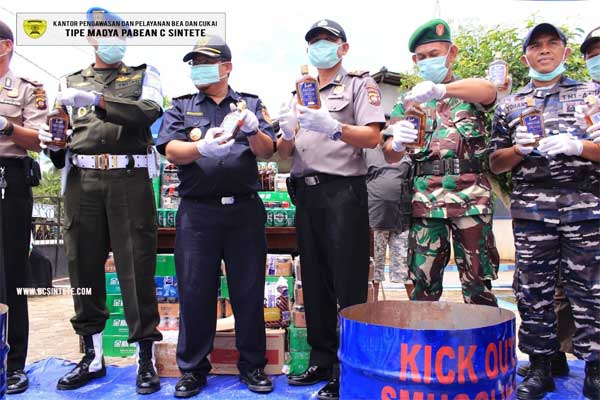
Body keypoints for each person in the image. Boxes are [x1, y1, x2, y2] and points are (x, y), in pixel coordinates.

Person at [39, 7, 163, 394]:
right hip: (82, 180)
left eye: (115, 31)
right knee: (83, 268)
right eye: (101, 31)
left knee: (136, 266)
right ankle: (92, 355)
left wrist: (97, 100)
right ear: (90, 38)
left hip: (129, 177)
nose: (109, 37)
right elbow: (61, 137)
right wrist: (54, 145)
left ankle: (145, 357)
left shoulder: (145, 75)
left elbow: (149, 113)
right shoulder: (69, 81)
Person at [157, 35, 276, 398]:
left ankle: (253, 365)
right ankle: (193, 369)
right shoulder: (180, 107)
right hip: (198, 213)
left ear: (226, 67)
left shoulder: (250, 103)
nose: (197, 68)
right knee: (195, 291)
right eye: (193, 63)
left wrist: (254, 129)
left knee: (249, 290)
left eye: (205, 62)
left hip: (244, 210)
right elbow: (171, 149)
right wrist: (200, 147)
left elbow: (269, 150)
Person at [489, 22, 600, 400]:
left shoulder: (592, 95)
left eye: (553, 43)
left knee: (589, 290)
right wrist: (517, 151)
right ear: (526, 57)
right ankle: (540, 364)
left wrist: (578, 147)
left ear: (565, 52)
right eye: (536, 45)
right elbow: (495, 163)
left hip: (584, 205)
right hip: (533, 210)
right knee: (532, 290)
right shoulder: (510, 105)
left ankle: (596, 366)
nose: (545, 50)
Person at [278, 19, 385, 400]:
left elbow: (373, 136)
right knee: (316, 281)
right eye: (314, 42)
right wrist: (286, 132)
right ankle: (322, 360)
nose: (320, 47)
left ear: (343, 48)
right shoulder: (299, 89)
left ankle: (347, 366)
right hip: (306, 194)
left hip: (344, 191)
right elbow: (284, 153)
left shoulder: (358, 84)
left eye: (328, 41)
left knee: (347, 282)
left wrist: (333, 126)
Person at [382, 19, 500, 307]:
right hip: (426, 201)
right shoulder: (408, 103)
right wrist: (396, 142)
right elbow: (389, 154)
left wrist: (442, 90)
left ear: (451, 53)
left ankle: (482, 349)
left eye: (434, 54)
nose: (427, 61)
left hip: (471, 198)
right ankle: (425, 349)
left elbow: (489, 91)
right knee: (423, 285)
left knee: (477, 283)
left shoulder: (466, 92)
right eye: (421, 57)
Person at [0, 20, 46, 395]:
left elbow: (43, 141)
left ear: (6, 47)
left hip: (8, 179)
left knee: (11, 274)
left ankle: (12, 363)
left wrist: (5, 127)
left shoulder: (28, 89)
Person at [364, 145, 412, 299]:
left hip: (402, 221)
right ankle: (372, 313)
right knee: (373, 272)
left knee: (408, 270)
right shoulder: (367, 151)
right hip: (374, 221)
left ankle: (418, 311)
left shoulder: (408, 153)